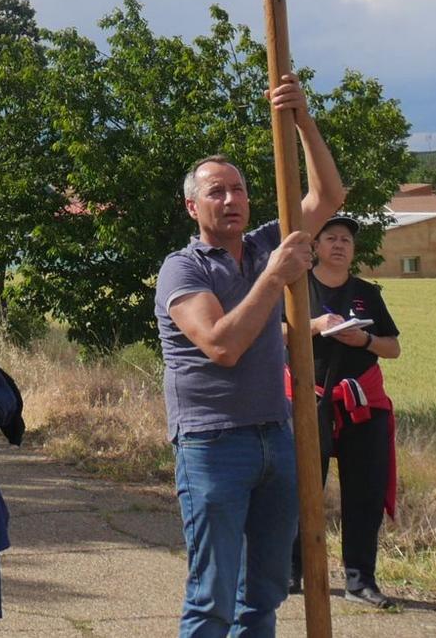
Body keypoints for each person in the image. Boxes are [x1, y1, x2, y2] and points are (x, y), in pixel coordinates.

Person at [154, 76, 343, 638]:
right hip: (212, 444)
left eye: (237, 189)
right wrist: (275, 276)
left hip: (276, 437)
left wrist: (303, 120)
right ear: (192, 206)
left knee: (262, 595)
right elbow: (222, 345)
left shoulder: (265, 242)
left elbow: (328, 197)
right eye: (216, 191)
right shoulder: (181, 269)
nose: (231, 199)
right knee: (213, 596)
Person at [289, 214, 402, 610]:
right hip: (306, 399)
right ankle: (292, 571)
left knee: (364, 494)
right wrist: (316, 325)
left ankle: (361, 580)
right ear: (316, 247)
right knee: (302, 488)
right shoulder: (297, 287)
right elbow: (276, 333)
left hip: (362, 405)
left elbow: (392, 347)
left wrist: (365, 338)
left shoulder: (367, 293)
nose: (339, 245)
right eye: (331, 238)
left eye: (346, 241)